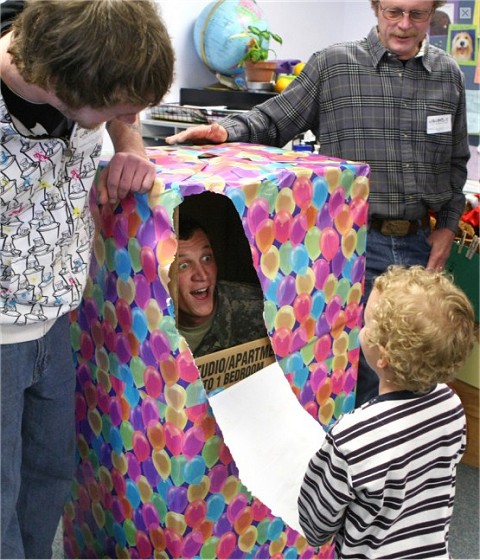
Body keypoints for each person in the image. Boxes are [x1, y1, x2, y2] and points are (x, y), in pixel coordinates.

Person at [166, 0, 470, 407]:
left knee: (414, 373)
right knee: (346, 371)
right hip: (350, 249)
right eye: (393, 11)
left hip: (418, 248)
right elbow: (272, 120)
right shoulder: (334, 66)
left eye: (417, 14)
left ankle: (398, 446)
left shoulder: (447, 75)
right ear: (376, 7)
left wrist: (447, 226)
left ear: (432, 12)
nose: (403, 24)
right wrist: (225, 130)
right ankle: (351, 446)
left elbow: (455, 163)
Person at [0, 1, 175, 557]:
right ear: (62, 87)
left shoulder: (74, 51)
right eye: (117, 110)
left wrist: (131, 144)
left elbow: (116, 95)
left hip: (55, 321)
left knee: (49, 476)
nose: (129, 115)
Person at [297, 265, 475, 559]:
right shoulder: (451, 406)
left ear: (383, 355)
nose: (361, 328)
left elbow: (316, 527)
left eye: (366, 324)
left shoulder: (352, 437)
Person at [175, 217, 267, 357]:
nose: (203, 275)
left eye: (206, 258)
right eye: (183, 266)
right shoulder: (151, 326)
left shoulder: (261, 309)